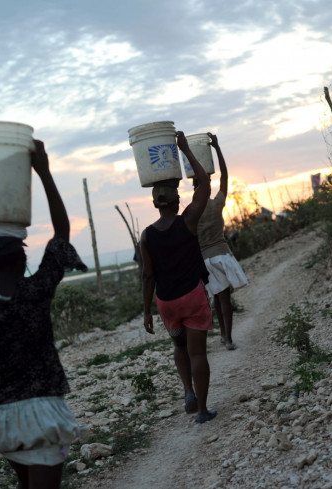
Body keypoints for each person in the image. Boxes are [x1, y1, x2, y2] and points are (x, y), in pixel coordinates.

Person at [0, 139, 88, 489]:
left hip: (1, 421)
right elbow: (61, 233)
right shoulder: (37, 291)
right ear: (22, 256)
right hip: (43, 413)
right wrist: (43, 172)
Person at [140, 131, 217, 424]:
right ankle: (202, 410)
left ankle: (188, 391)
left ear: (155, 203)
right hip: (192, 297)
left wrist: (147, 311)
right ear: (176, 200)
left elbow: (148, 275)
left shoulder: (146, 236)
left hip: (166, 303)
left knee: (179, 347)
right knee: (197, 353)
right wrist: (185, 149)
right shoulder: (188, 221)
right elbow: (205, 184)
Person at [192, 133, 248, 351]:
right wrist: (216, 147)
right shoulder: (216, 203)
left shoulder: (191, 212)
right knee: (225, 300)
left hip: (204, 261)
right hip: (221, 256)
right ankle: (228, 338)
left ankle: (224, 336)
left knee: (218, 296)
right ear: (207, 184)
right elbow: (225, 175)